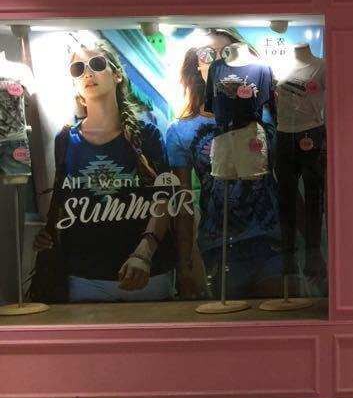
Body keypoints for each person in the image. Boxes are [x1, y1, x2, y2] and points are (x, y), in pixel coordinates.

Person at [32, 40, 176, 302]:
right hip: (86, 276)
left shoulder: (146, 134)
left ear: (117, 74)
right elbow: (63, 198)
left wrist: (145, 251)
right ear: (74, 83)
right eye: (78, 68)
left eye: (97, 64)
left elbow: (164, 197)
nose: (87, 73)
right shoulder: (65, 139)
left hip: (146, 273)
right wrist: (49, 234)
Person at [165, 30, 286, 299]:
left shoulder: (268, 112)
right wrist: (184, 265)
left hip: (271, 239)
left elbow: (288, 179)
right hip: (219, 246)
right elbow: (182, 205)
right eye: (207, 55)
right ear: (197, 66)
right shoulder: (181, 131)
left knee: (276, 316)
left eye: (227, 53)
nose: (218, 61)